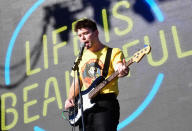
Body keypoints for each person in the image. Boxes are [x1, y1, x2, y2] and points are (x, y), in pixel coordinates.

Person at [65, 18, 129, 131]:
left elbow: (118, 66)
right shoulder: (81, 58)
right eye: (80, 35)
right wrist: (70, 98)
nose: (83, 38)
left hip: (105, 103)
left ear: (96, 32)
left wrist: (122, 69)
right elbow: (77, 81)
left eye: (85, 33)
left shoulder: (113, 52)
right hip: (85, 107)